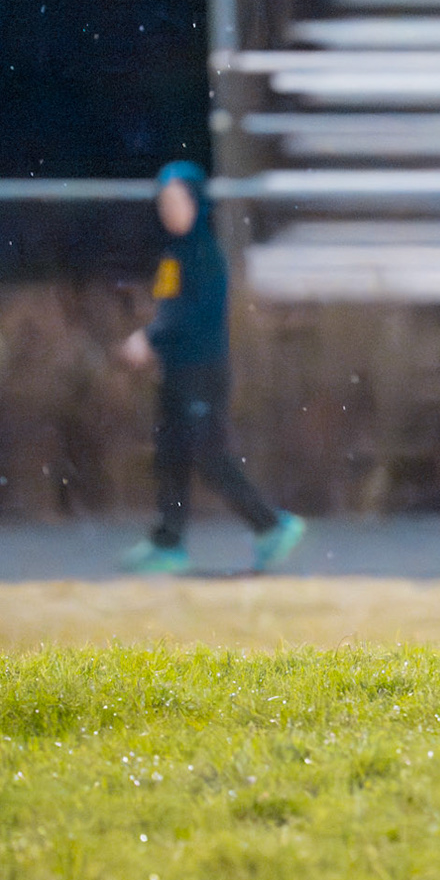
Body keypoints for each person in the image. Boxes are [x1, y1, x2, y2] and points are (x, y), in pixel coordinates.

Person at [118, 161, 304, 575]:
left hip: (202, 372)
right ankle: (168, 543)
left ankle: (272, 525)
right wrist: (156, 339)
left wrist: (150, 338)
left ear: (196, 203)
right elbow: (169, 309)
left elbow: (191, 315)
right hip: (176, 371)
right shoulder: (174, 256)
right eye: (164, 203)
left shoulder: (205, 254)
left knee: (209, 457)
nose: (170, 210)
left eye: (177, 201)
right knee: (170, 454)